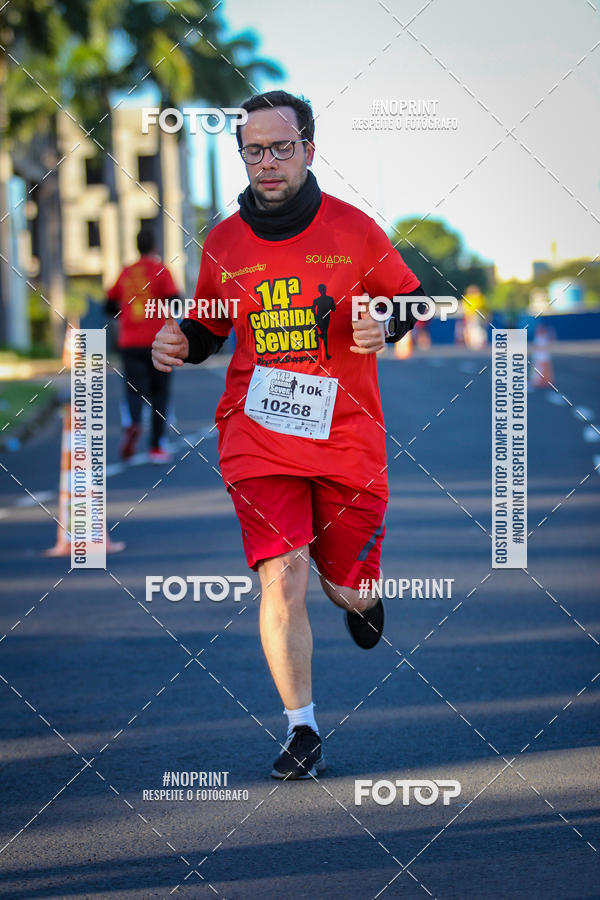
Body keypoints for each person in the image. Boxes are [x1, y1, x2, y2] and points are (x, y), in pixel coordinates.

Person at [152, 90, 427, 779]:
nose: (266, 162)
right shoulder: (222, 241)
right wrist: (178, 340)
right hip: (257, 434)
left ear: (308, 148)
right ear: (241, 154)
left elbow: (410, 298)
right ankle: (301, 728)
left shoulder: (355, 230)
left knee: (343, 588)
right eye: (254, 150)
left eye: (280, 148)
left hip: (346, 437)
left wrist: (384, 324)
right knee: (282, 574)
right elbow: (211, 324)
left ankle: (362, 591)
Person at [106, 229, 180, 462]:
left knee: (135, 389)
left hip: (129, 342)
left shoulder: (126, 272)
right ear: (155, 246)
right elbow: (175, 302)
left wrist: (125, 316)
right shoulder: (161, 270)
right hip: (158, 342)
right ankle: (157, 446)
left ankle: (135, 422)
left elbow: (108, 305)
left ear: (136, 247)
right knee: (159, 393)